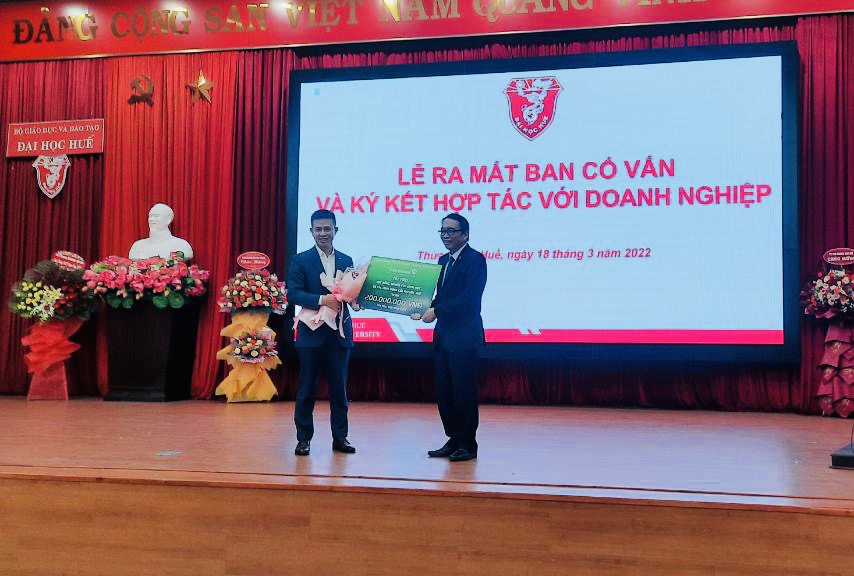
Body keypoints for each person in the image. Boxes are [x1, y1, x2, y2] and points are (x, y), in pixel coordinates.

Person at [418, 213, 487, 462]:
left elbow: (469, 299)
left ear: (465, 235)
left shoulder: (476, 260)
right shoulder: (442, 261)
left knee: (463, 393)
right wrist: (421, 306)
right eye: (442, 231)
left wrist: (437, 311)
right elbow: (442, 297)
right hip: (444, 338)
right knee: (445, 393)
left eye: (451, 231)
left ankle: (468, 444)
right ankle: (454, 439)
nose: (445, 236)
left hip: (464, 337)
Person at [287, 209, 357, 456]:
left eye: (328, 229)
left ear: (335, 230)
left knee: (339, 390)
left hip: (339, 334)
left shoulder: (347, 260)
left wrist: (356, 300)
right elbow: (293, 293)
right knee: (307, 389)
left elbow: (352, 291)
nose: (323, 233)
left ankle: (340, 438)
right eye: (318, 229)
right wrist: (321, 299)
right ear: (311, 231)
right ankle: (303, 439)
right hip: (311, 333)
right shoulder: (300, 260)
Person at [128, 203, 194, 261]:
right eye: (150, 216)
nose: (151, 219)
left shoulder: (182, 245)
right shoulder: (137, 246)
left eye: (156, 216)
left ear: (168, 219)